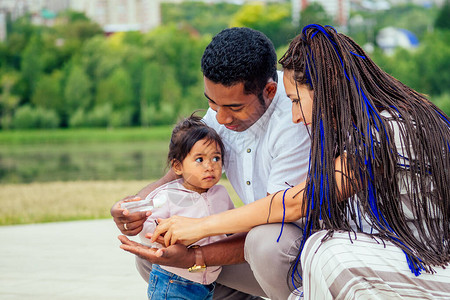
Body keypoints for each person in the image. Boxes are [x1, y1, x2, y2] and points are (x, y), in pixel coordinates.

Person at [148, 24, 450, 299]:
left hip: (429, 266)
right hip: (393, 261)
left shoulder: (390, 131)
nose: (295, 115)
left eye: (295, 100)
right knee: (164, 261)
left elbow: (298, 202)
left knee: (326, 251)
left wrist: (201, 227)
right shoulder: (364, 131)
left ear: (326, 91)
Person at [113, 27, 311, 299]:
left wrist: (196, 253)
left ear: (269, 90)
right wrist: (136, 205)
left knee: (264, 241)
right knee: (155, 255)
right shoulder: (224, 105)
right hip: (255, 250)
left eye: (234, 108)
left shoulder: (294, 119)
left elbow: (276, 212)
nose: (221, 119)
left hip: (296, 253)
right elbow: (184, 168)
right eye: (213, 104)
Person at [123, 114, 234, 299]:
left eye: (216, 158)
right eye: (199, 160)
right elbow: (148, 227)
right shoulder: (168, 195)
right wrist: (162, 237)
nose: (209, 166)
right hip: (173, 280)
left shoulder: (221, 194)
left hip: (208, 283)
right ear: (177, 166)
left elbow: (232, 224)